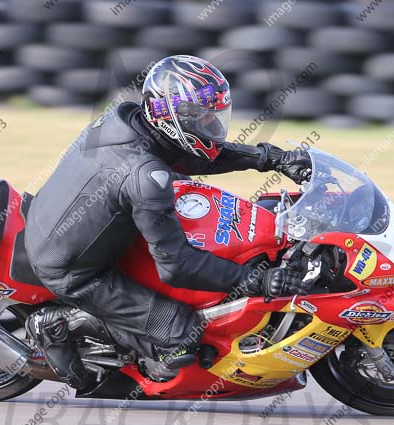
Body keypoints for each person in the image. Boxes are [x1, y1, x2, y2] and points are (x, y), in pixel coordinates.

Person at [24, 55, 312, 389]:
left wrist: (271, 159)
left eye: (214, 115)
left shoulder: (129, 118)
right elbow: (176, 266)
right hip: (73, 271)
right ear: (173, 117)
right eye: (203, 118)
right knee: (182, 334)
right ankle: (58, 325)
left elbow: (193, 155)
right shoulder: (144, 175)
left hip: (63, 221)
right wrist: (255, 280)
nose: (212, 124)